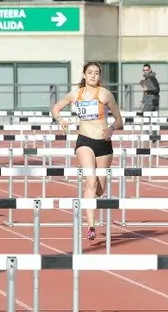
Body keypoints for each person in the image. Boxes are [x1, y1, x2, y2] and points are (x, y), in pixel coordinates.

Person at [51, 62, 124, 241]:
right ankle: (91, 225)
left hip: (104, 144)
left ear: (100, 76)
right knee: (90, 181)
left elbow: (119, 120)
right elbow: (55, 108)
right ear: (84, 75)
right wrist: (60, 120)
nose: (93, 76)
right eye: (90, 72)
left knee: (99, 189)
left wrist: (112, 129)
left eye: (97, 73)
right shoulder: (76, 94)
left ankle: (93, 201)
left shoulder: (105, 94)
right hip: (84, 141)